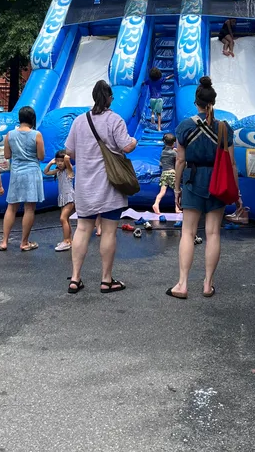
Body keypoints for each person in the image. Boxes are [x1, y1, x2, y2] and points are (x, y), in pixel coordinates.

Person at [167, 76, 238, 299]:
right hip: (217, 181)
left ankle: (183, 284)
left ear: (196, 101)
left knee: (188, 232)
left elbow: (179, 160)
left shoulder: (185, 126)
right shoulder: (224, 128)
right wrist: (236, 191)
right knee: (213, 232)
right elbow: (232, 163)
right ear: (212, 102)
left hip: (192, 180)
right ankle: (208, 284)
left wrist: (177, 188)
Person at [64, 80, 137, 293]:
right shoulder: (115, 120)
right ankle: (106, 280)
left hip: (85, 185)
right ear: (109, 98)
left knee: (83, 229)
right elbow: (126, 146)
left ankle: (75, 278)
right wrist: (134, 141)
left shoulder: (79, 121)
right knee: (108, 232)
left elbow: (70, 152)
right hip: (110, 185)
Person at [0, 106, 44, 251]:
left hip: (16, 172)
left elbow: (6, 156)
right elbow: (41, 156)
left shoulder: (10, 135)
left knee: (11, 207)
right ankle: (24, 242)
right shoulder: (36, 135)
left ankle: (4, 241)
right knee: (29, 208)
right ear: (32, 118)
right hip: (31, 172)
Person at [45, 149, 76, 252]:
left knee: (63, 218)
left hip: (69, 197)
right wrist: (51, 162)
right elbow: (46, 172)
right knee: (65, 219)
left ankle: (67, 241)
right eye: (57, 161)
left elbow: (67, 159)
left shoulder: (69, 171)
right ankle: (69, 240)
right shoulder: (58, 171)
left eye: (61, 161)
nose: (59, 163)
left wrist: (65, 157)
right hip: (63, 197)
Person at [152, 132, 179, 214]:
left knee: (162, 192)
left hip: (164, 173)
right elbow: (179, 161)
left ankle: (156, 204)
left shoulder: (163, 152)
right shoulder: (174, 153)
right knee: (177, 191)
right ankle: (177, 207)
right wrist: (177, 151)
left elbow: (161, 163)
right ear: (174, 143)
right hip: (171, 173)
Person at [147, 67, 164, 132]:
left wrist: (142, 83)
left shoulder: (149, 81)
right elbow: (167, 78)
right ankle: (159, 128)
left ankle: (152, 115)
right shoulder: (160, 80)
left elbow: (144, 83)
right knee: (159, 114)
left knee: (153, 109)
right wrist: (172, 75)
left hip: (152, 98)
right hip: (159, 98)